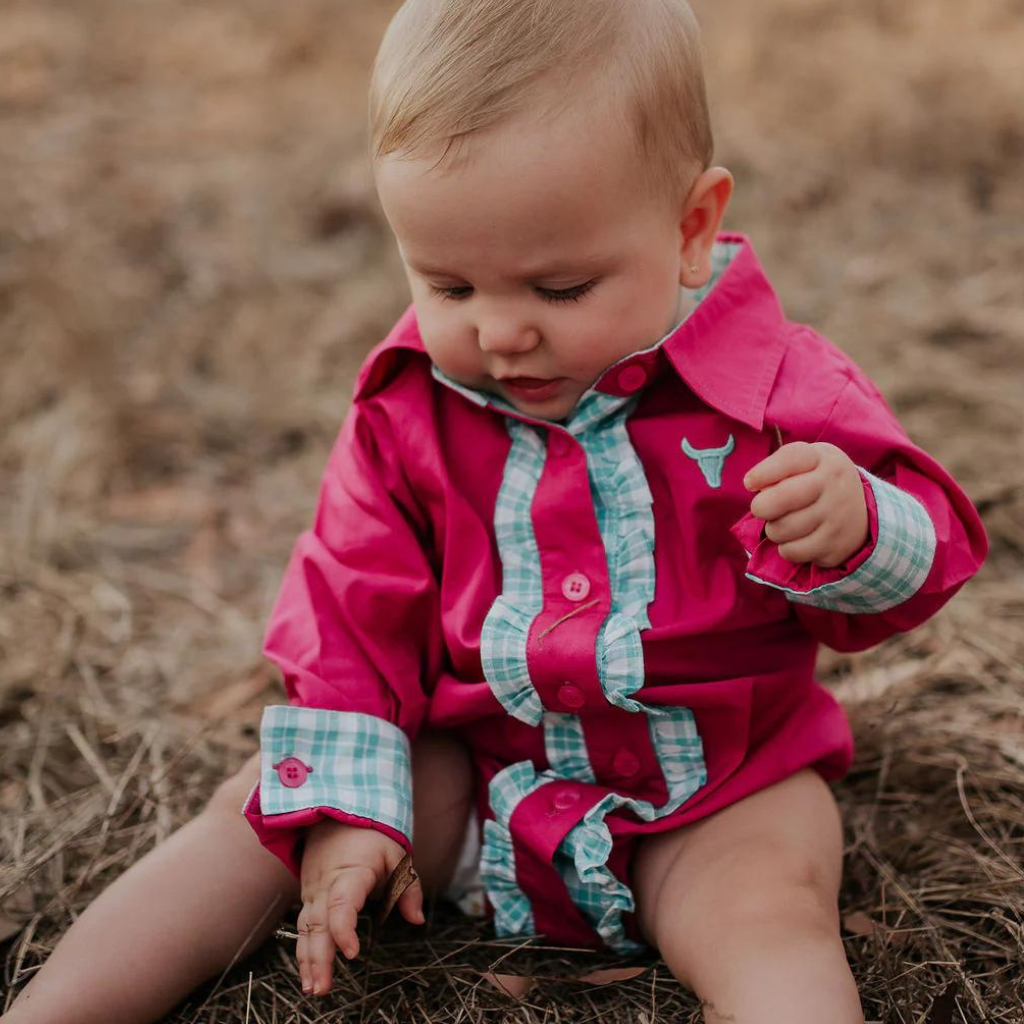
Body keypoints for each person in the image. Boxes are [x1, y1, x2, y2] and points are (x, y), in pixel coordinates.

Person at [3, 1, 988, 1023]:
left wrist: (858, 524)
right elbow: (350, 610)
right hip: (476, 773)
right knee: (251, 822)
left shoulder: (777, 390)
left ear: (690, 227)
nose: (501, 330)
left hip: (714, 784)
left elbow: (935, 551)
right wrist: (350, 808)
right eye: (448, 282)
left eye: (560, 287)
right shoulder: (406, 409)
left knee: (771, 912)